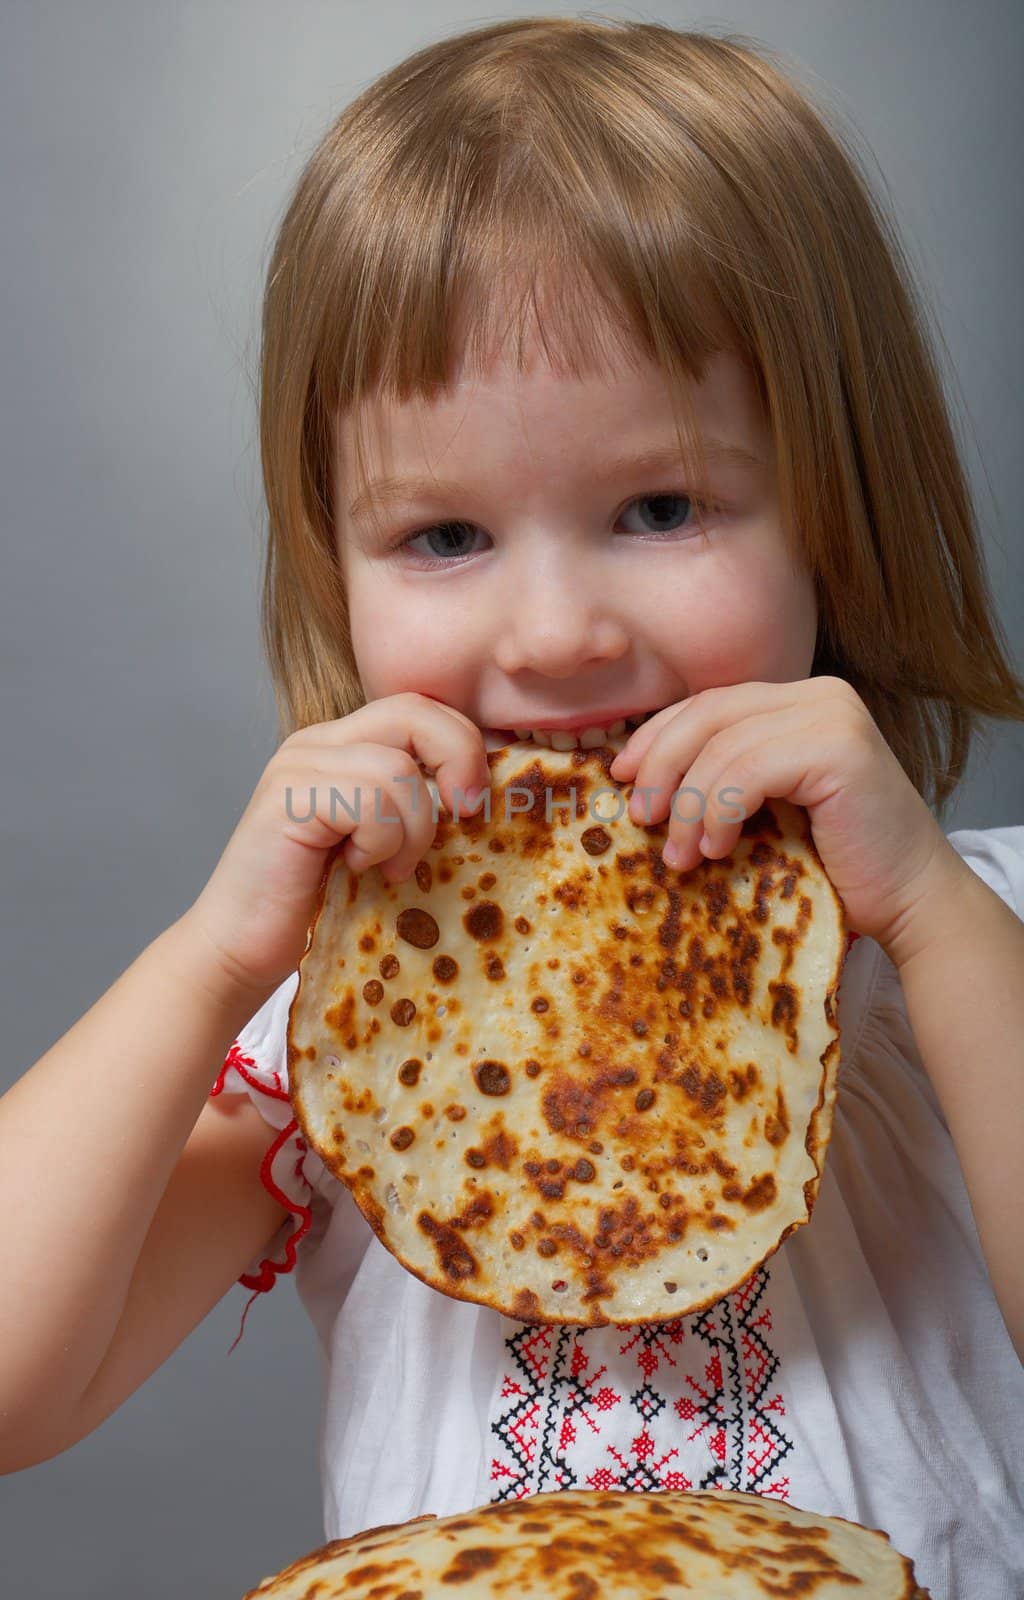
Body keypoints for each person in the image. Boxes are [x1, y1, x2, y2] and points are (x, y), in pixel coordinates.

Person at [2, 16, 1022, 1597]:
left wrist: (941, 928)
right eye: (446, 537)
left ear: (846, 505)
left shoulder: (979, 946)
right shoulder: (343, 1033)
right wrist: (215, 959)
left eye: (662, 507)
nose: (555, 635)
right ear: (331, 565)